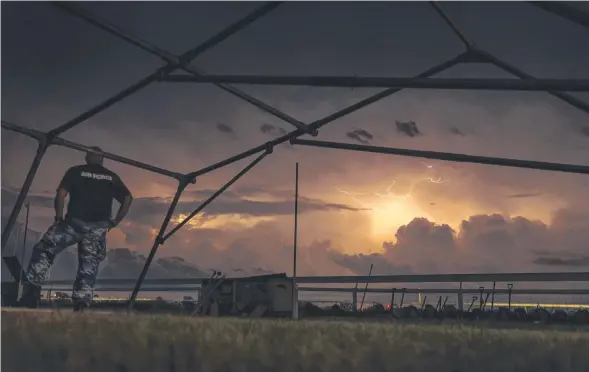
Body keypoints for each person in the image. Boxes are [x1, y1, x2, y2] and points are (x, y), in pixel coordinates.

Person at [19, 147, 133, 311]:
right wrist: (115, 221)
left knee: (44, 249)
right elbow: (128, 198)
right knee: (89, 265)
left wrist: (58, 218)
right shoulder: (111, 177)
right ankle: (81, 303)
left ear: (87, 158)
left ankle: (31, 294)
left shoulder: (76, 171)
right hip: (97, 227)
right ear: (102, 159)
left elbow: (61, 193)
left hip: (73, 223)